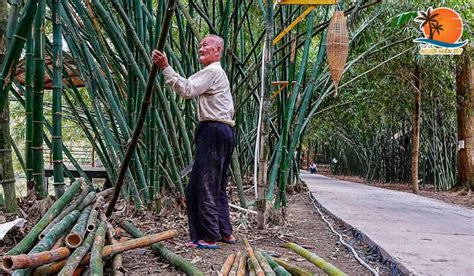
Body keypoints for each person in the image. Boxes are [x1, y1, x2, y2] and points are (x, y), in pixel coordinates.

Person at [152, 35, 236, 250]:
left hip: (214, 130)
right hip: (224, 130)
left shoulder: (213, 71)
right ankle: (224, 232)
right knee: (217, 186)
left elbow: (188, 89)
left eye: (206, 44)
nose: (201, 47)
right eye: (200, 44)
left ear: (217, 50)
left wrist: (165, 67)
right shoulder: (218, 72)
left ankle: (208, 237)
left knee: (201, 185)